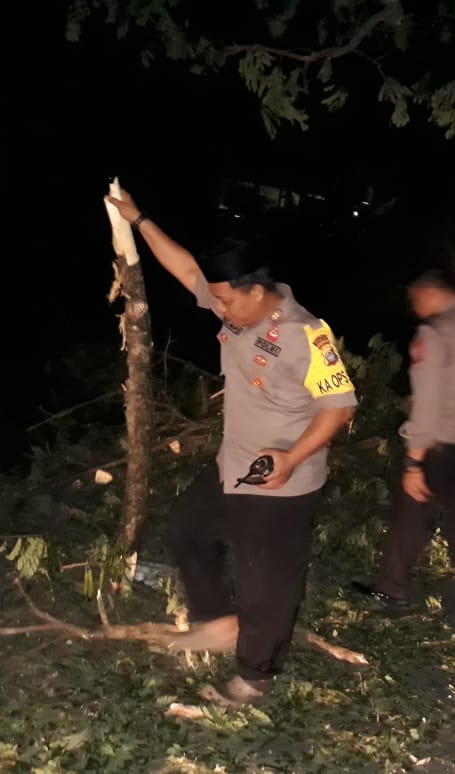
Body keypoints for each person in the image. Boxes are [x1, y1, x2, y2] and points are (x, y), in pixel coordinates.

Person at [105, 189, 358, 704]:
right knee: (187, 530)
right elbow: (185, 270)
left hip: (282, 480)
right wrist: (141, 217)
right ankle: (219, 622)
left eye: (224, 299)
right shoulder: (237, 308)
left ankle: (255, 678)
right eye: (216, 299)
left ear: (257, 292)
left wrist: (292, 458)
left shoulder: (305, 334)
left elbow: (341, 406)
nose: (216, 305)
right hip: (233, 466)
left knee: (266, 584)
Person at [352, 270, 455, 656]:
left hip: (444, 447)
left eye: (415, 300)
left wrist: (413, 463)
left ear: (428, 296)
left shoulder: (434, 334)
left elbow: (428, 403)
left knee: (417, 511)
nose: (413, 308)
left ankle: (392, 592)